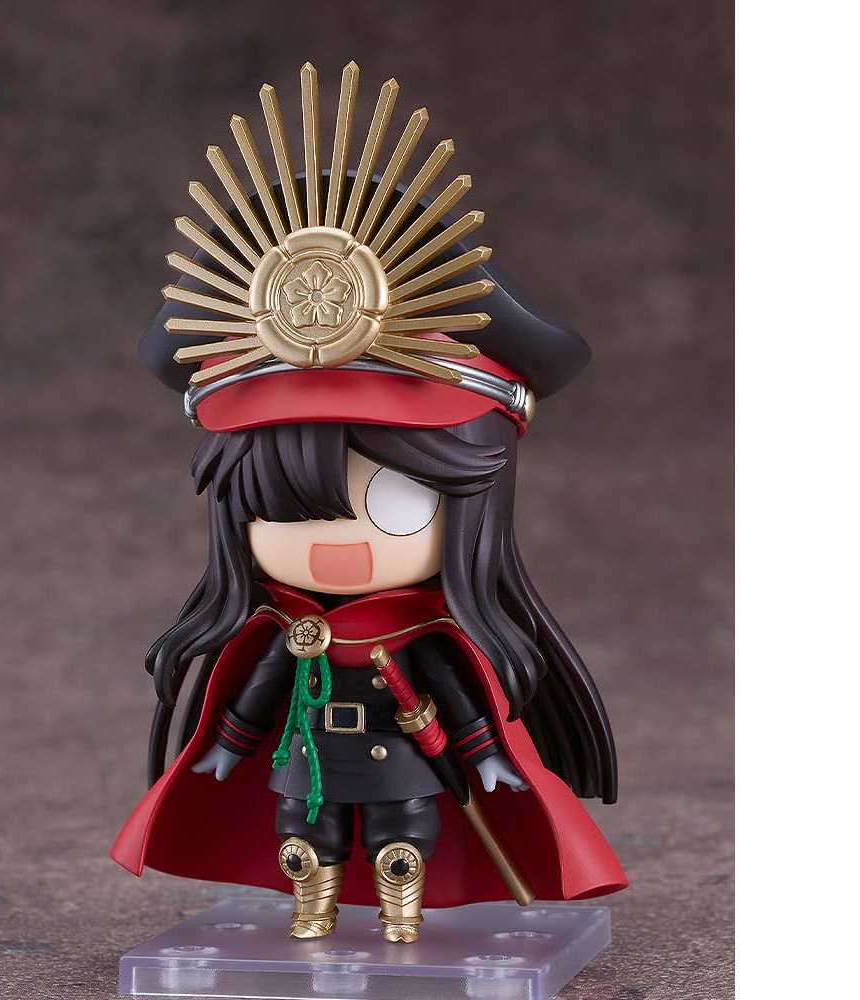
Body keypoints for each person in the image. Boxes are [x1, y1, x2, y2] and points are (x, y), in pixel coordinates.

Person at [111, 63, 627, 943]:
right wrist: (230, 743)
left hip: (401, 767)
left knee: (400, 844)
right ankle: (312, 900)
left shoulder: (422, 637)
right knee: (304, 841)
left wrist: (486, 757)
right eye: (286, 506)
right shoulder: (284, 636)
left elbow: (462, 701)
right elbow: (255, 697)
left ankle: (400, 905)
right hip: (306, 765)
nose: (336, 542)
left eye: (395, 501)